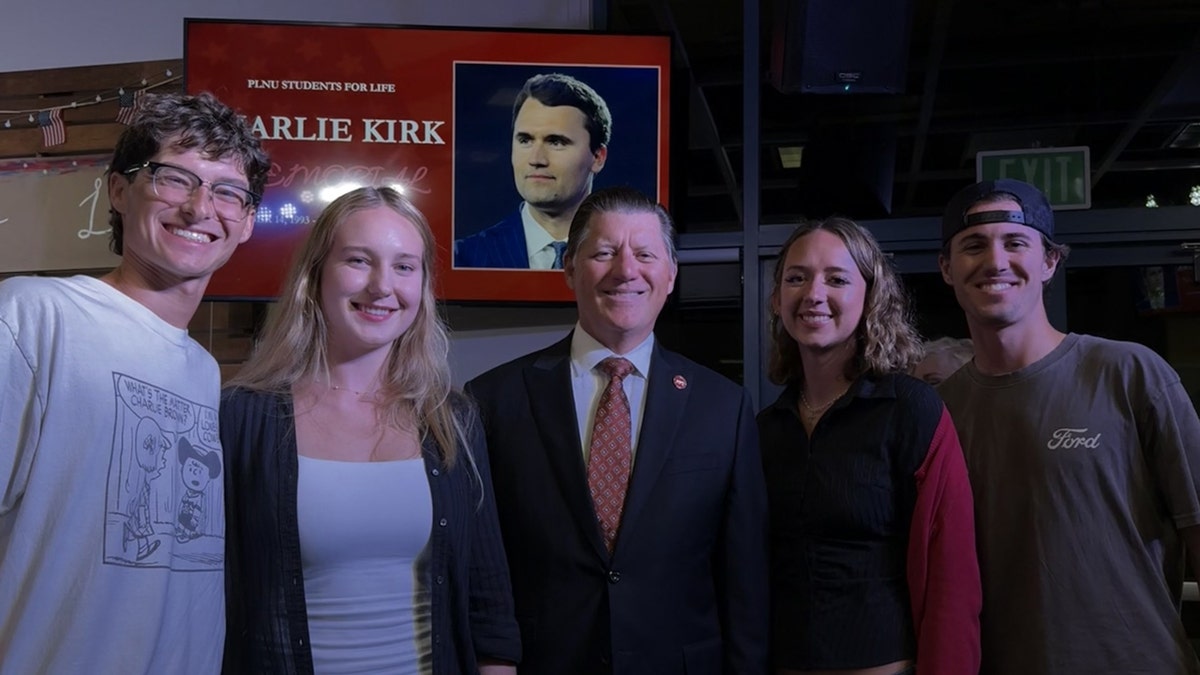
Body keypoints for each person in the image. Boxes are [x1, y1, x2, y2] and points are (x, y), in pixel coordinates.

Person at [0, 92, 268, 673]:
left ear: (246, 223)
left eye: (227, 192)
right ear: (119, 192)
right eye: (174, 179)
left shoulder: (200, 368)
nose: (201, 208)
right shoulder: (34, 316)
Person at [465, 186, 768, 674]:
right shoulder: (492, 401)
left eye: (645, 254)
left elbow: (744, 578)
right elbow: (482, 568)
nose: (625, 270)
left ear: (669, 276)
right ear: (568, 269)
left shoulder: (723, 407)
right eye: (603, 253)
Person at [220, 186, 520, 674]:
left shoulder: (452, 420)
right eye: (359, 260)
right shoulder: (241, 418)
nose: (382, 286)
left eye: (404, 266)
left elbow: (488, 604)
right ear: (315, 275)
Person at [937, 178, 1200, 675]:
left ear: (1050, 261)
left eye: (1015, 243)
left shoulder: (1130, 374)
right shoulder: (938, 412)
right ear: (947, 269)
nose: (995, 261)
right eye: (974, 245)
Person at [757, 217, 981, 675]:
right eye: (796, 278)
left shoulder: (911, 411)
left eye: (837, 279)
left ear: (871, 297)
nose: (814, 294)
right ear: (778, 299)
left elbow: (951, 578)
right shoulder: (765, 428)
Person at [455, 73, 610, 270]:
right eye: (525, 140)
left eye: (556, 142)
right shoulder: (464, 256)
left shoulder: (627, 258)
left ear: (598, 157)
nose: (537, 160)